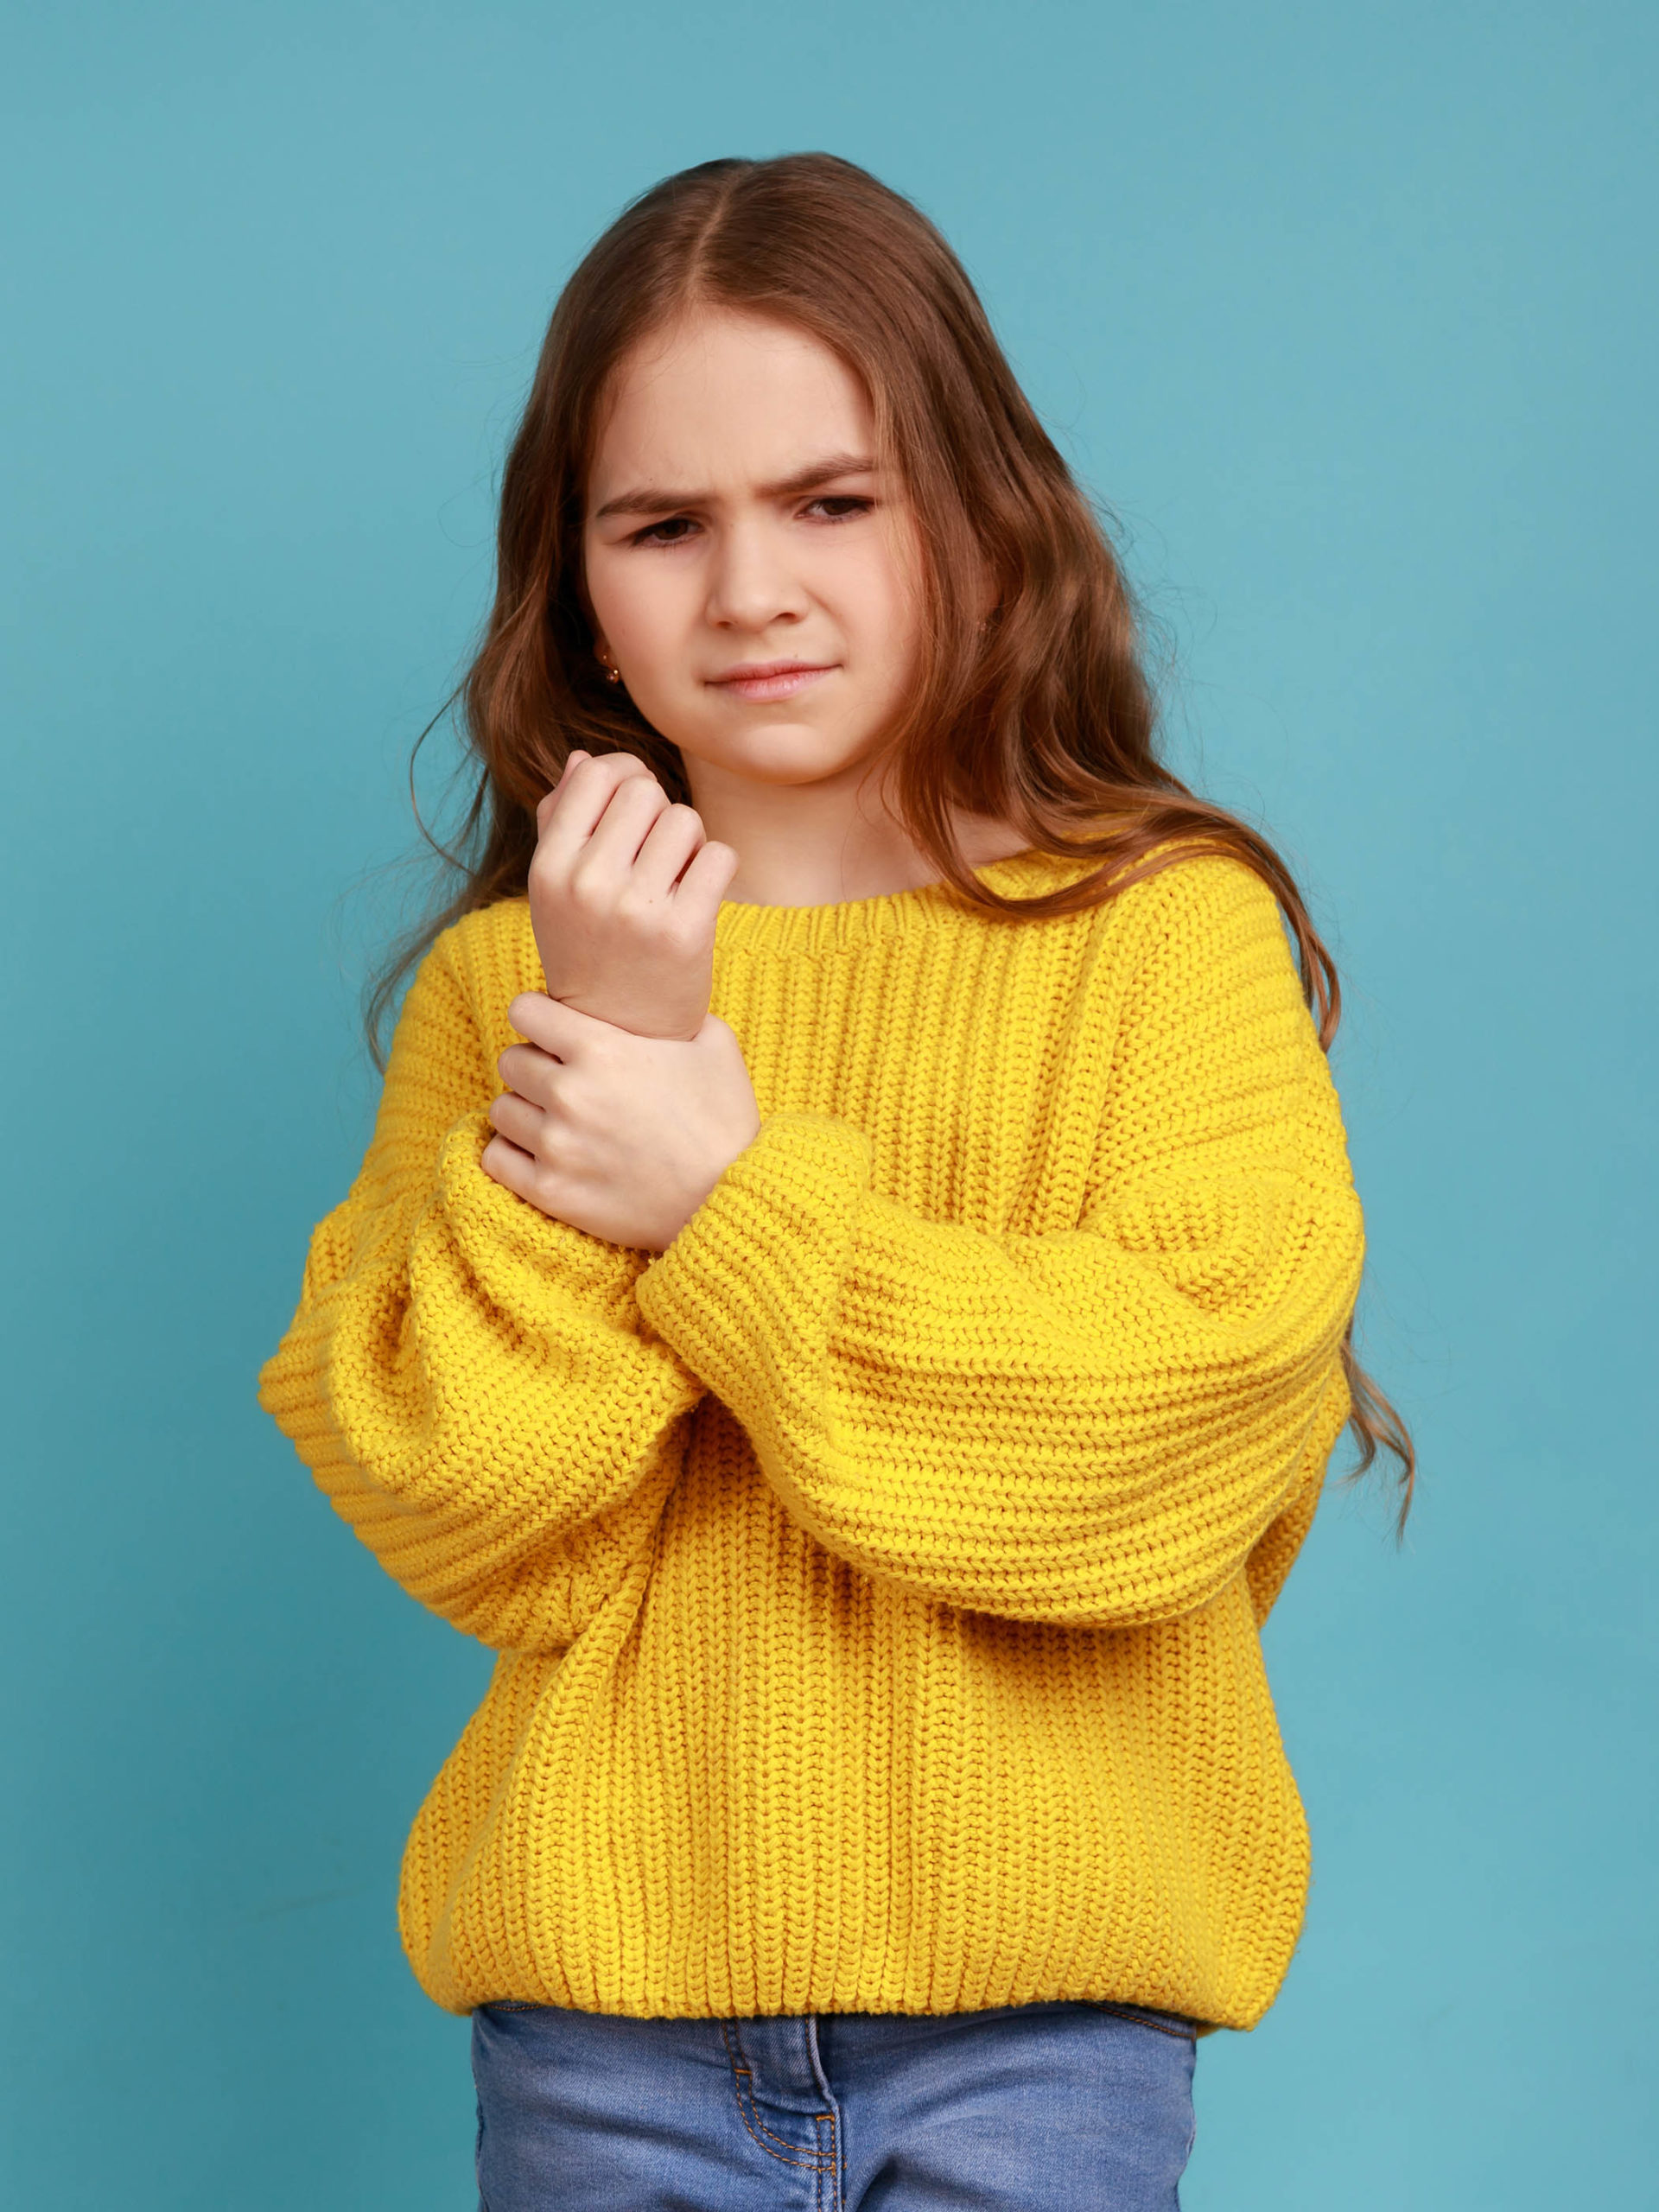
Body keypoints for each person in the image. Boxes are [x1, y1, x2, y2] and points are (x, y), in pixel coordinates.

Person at [259, 152, 1411, 2211]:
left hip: (1041, 2037)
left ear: (977, 517)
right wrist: (601, 1036)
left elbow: (1161, 1447)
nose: (750, 588)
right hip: (600, 2043)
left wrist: (722, 1192)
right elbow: (467, 1507)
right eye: (662, 524)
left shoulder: (1165, 941)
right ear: (582, 592)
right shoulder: (506, 989)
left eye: (831, 499)